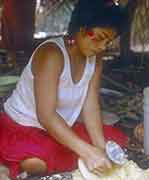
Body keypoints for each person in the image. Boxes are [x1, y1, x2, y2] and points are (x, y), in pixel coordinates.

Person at [0, 0, 129, 179]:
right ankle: (15, 163)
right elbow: (46, 116)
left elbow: (91, 107)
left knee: (115, 140)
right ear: (80, 28)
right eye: (99, 38)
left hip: (58, 128)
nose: (102, 47)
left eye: (108, 41)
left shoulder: (95, 59)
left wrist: (99, 148)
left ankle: (65, 156)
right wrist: (87, 152)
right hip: (23, 127)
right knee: (42, 159)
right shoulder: (52, 55)